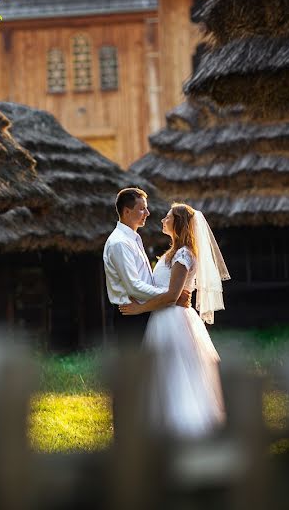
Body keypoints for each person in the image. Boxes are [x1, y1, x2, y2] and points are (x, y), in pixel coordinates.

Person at [119, 202, 229, 438]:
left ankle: (184, 424)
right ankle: (161, 422)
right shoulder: (170, 253)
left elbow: (172, 295)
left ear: (178, 223)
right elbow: (160, 289)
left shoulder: (184, 254)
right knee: (161, 370)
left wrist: (139, 309)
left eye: (167, 217)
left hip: (175, 320)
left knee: (177, 369)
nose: (162, 220)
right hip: (162, 319)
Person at [102, 188, 190, 346]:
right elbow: (133, 286)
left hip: (144, 311)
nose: (148, 213)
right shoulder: (120, 243)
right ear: (127, 212)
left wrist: (170, 296)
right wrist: (172, 295)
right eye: (142, 209)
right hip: (130, 315)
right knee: (133, 367)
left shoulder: (133, 238)